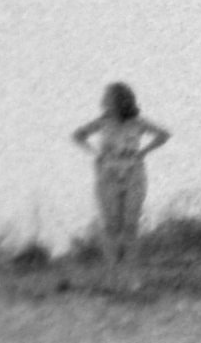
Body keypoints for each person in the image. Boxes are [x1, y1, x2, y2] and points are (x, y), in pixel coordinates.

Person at [71, 83, 171, 283]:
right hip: (107, 174)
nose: (104, 101)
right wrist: (94, 153)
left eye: (108, 97)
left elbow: (164, 134)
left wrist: (144, 151)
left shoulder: (137, 122)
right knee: (111, 226)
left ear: (119, 100)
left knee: (131, 225)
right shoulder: (102, 121)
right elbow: (78, 135)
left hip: (134, 173)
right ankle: (112, 275)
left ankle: (132, 276)